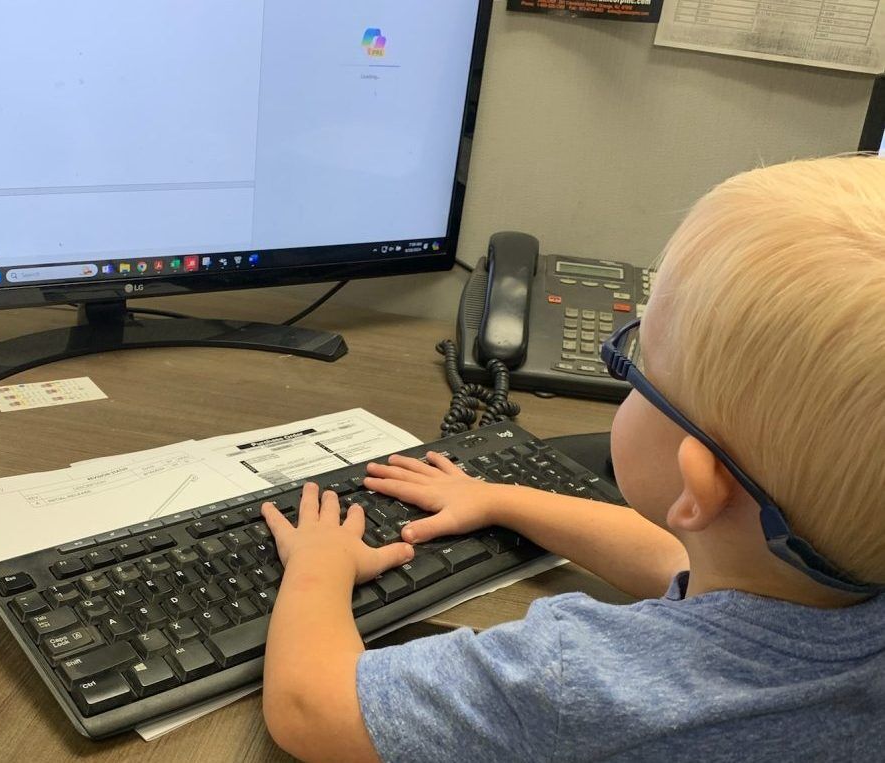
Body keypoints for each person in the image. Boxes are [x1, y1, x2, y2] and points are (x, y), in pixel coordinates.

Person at [259, 156, 885, 762]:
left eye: (635, 369)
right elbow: (680, 557)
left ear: (699, 484)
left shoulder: (579, 680)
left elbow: (311, 709)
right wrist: (500, 497)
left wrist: (319, 566)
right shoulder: (836, 604)